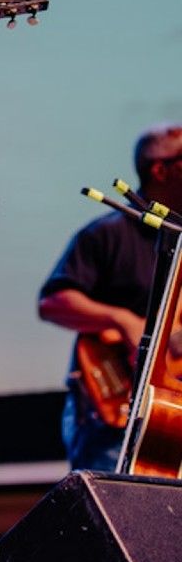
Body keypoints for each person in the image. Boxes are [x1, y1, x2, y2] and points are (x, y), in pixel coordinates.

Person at [39, 124, 182, 472]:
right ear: (159, 169)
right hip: (112, 413)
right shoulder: (107, 234)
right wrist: (122, 320)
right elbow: (52, 303)